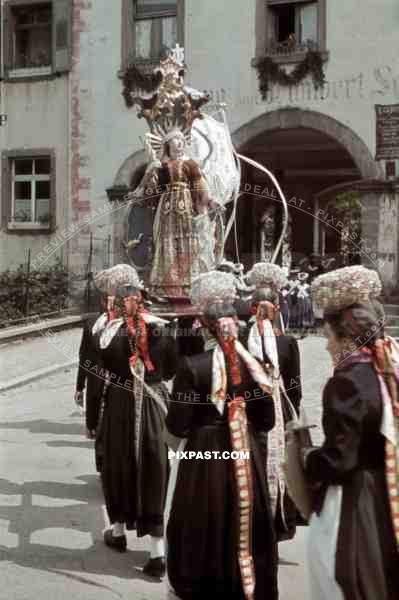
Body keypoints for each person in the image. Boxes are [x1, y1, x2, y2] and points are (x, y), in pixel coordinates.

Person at [165, 271, 278, 600]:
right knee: (246, 519)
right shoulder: (254, 365)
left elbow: (177, 425)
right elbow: (267, 421)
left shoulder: (192, 367)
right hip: (246, 454)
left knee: (203, 518)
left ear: (203, 325)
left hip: (205, 454)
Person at [302, 266, 399, 600]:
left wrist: (307, 459)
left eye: (329, 338)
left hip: (356, 499)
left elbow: (340, 460)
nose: (328, 348)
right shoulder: (385, 370)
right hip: (387, 488)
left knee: (341, 573)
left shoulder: (346, 382)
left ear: (345, 338)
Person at [93, 264, 177, 578]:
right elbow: (169, 370)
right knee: (155, 467)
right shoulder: (163, 329)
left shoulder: (105, 332)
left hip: (118, 406)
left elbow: (102, 370)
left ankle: (117, 531)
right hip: (155, 404)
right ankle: (158, 552)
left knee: (118, 465)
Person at [246, 262, 303, 542]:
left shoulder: (243, 338)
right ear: (277, 308)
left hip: (249, 407)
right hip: (278, 405)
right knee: (279, 460)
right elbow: (294, 385)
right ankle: (279, 521)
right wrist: (292, 412)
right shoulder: (288, 342)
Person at [74, 282, 106, 471]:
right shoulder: (91, 325)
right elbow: (84, 358)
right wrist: (79, 387)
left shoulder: (132, 326)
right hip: (101, 386)